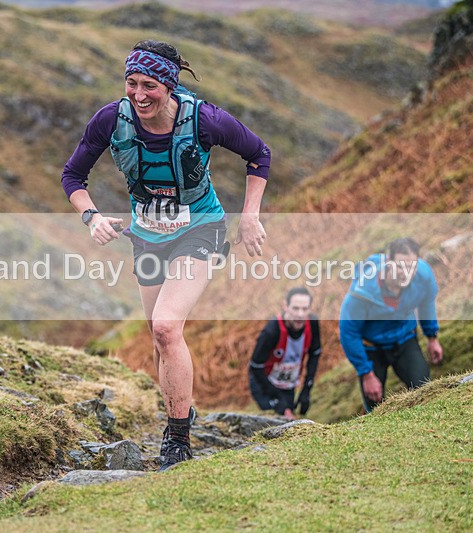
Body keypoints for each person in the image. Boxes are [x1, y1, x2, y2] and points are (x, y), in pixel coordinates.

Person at [61, 40, 270, 470]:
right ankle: (182, 407)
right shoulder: (110, 119)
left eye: (150, 86)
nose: (139, 95)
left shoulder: (205, 120)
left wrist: (249, 217)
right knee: (160, 342)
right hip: (148, 237)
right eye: (132, 83)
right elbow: (73, 176)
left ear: (170, 87)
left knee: (166, 328)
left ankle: (176, 439)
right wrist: (91, 217)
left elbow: (258, 155)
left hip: (201, 230)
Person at [339, 237, 443, 413]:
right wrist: (366, 374)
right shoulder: (362, 291)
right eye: (400, 266)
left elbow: (426, 303)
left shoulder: (423, 276)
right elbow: (349, 332)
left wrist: (432, 337)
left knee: (425, 391)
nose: (406, 273)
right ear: (388, 262)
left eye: (411, 267)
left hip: (405, 338)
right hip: (371, 348)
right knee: (375, 406)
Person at [249, 287, 321, 420]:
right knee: (279, 419)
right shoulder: (272, 331)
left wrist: (306, 389)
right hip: (263, 382)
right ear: (286, 306)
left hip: (288, 383)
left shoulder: (312, 324)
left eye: (305, 309)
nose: (300, 314)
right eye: (295, 308)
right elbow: (255, 366)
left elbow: (315, 353)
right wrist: (278, 399)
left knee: (290, 417)